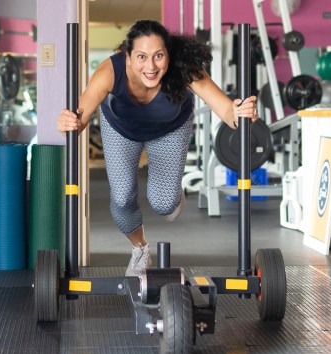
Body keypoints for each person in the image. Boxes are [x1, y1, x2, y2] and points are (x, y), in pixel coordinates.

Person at [57, 20, 259, 276]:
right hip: (121, 130)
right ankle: (140, 248)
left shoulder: (185, 67)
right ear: (127, 57)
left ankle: (173, 190)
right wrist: (67, 122)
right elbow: (79, 118)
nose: (151, 66)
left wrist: (242, 112)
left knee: (164, 204)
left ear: (168, 54)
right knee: (122, 197)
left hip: (170, 128)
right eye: (141, 56)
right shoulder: (109, 71)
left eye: (158, 56)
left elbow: (227, 111)